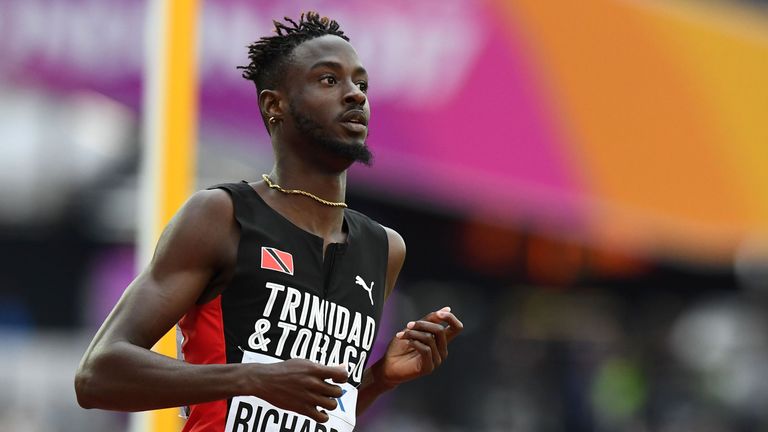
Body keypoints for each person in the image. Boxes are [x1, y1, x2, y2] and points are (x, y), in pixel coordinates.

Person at [75, 11, 463, 432]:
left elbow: (320, 415)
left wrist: (379, 379)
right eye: (330, 80)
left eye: (361, 83)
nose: (355, 95)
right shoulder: (222, 215)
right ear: (274, 105)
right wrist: (252, 378)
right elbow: (98, 375)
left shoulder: (384, 248)